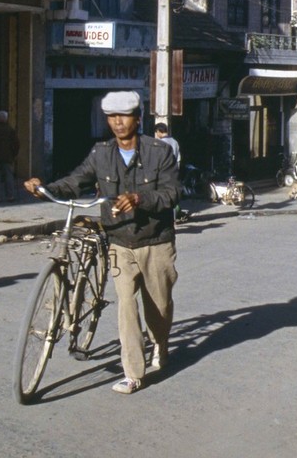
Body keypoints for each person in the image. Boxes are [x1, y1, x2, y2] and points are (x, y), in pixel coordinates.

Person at [22, 90, 179, 395]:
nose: (118, 123)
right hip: (119, 240)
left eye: (124, 116)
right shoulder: (101, 153)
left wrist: (140, 199)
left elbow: (172, 194)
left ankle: (160, 341)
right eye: (112, 117)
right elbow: (75, 181)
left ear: (138, 117)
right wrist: (44, 188)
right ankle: (134, 373)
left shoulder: (159, 152)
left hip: (155, 241)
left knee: (158, 309)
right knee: (126, 306)